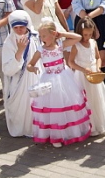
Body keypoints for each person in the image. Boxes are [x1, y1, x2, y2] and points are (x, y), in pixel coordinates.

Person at [28, 19, 91, 148]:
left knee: (67, 104)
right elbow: (30, 64)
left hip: (64, 78)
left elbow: (78, 37)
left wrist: (62, 34)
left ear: (53, 34)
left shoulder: (61, 45)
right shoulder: (41, 49)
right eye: (40, 36)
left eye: (44, 35)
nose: (42, 38)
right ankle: (55, 136)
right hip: (49, 79)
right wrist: (33, 68)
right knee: (54, 108)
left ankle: (69, 132)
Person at [69, 18, 105, 136]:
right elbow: (71, 62)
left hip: (93, 73)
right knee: (86, 100)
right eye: (85, 34)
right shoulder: (76, 46)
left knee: (96, 99)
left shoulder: (93, 42)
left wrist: (98, 67)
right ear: (80, 32)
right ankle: (87, 125)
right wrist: (84, 69)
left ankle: (96, 124)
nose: (87, 37)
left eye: (90, 34)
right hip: (82, 75)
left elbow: (98, 57)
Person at [1, 11, 41, 138]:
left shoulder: (35, 37)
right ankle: (23, 128)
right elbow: (7, 69)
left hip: (35, 77)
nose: (19, 30)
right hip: (18, 81)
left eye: (22, 27)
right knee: (21, 107)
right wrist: (20, 50)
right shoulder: (9, 42)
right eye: (15, 27)